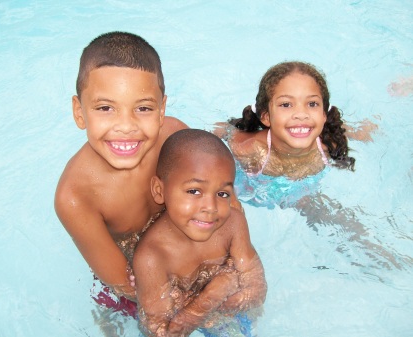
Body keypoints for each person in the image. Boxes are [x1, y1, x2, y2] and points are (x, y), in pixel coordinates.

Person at [54, 31, 188, 307]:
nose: (126, 127)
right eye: (105, 108)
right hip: (130, 274)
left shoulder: (174, 136)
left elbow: (219, 196)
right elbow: (124, 283)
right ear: (80, 113)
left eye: (143, 108)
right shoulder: (76, 196)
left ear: (162, 110)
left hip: (179, 242)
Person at [133, 129, 267, 337]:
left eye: (222, 194)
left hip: (219, 313)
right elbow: (162, 333)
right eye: (194, 191)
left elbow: (256, 288)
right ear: (160, 191)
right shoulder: (152, 258)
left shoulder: (233, 223)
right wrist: (214, 293)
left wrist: (217, 309)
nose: (210, 207)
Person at [214, 61, 357, 180]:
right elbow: (218, 135)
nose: (301, 114)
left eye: (312, 104)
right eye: (286, 104)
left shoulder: (330, 143)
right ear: (266, 117)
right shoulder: (250, 150)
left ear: (324, 115)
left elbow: (364, 131)